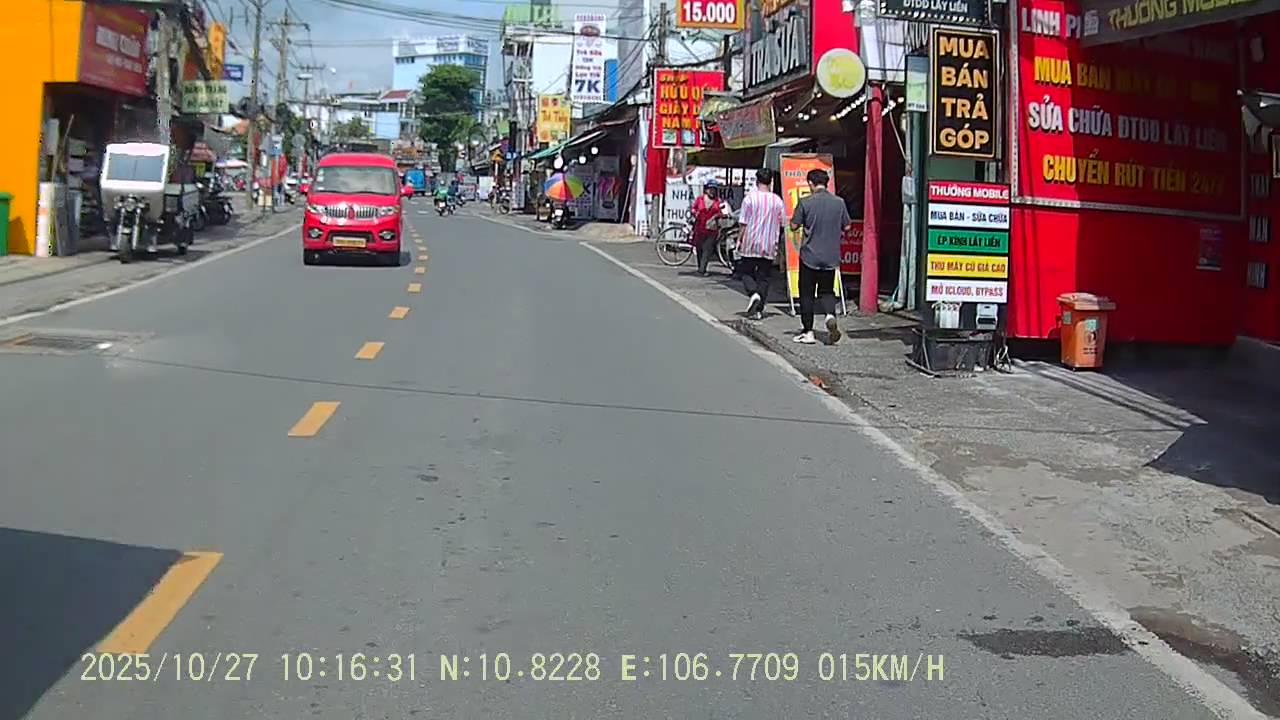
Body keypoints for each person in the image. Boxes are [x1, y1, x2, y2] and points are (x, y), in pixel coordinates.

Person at [788, 168, 851, 345]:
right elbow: (847, 226)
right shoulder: (839, 202)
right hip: (831, 256)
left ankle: (808, 331)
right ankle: (830, 314)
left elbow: (793, 226)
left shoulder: (805, 202)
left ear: (810, 183)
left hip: (809, 256)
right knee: (827, 291)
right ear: (826, 183)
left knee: (806, 294)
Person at [735, 168, 787, 320]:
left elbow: (743, 222)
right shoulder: (777, 201)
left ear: (757, 181)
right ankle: (758, 309)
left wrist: (739, 239)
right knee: (764, 277)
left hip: (750, 241)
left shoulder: (749, 199)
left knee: (746, 272)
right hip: (769, 243)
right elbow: (783, 222)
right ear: (771, 181)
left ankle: (753, 294)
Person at [690, 180, 724, 276]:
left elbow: (722, 213)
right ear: (706, 190)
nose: (712, 191)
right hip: (700, 227)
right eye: (710, 189)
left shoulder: (718, 201)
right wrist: (695, 213)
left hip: (712, 229)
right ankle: (700, 267)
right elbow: (693, 208)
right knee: (699, 248)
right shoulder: (700, 199)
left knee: (707, 248)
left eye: (714, 189)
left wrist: (718, 215)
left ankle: (702, 270)